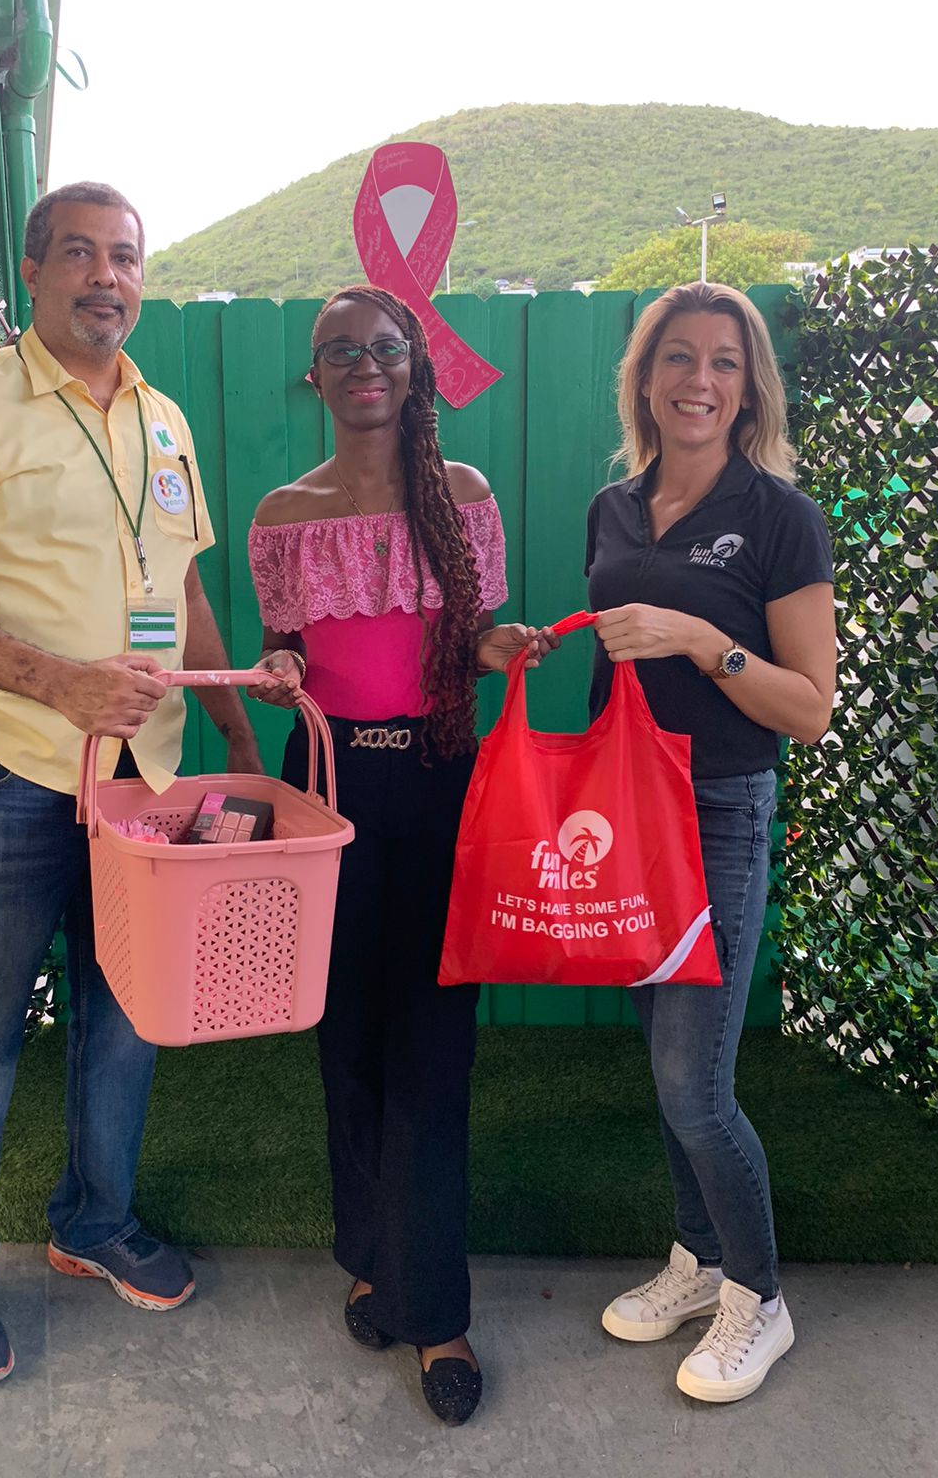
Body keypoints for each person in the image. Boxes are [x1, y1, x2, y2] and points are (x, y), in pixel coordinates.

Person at [0, 182, 269, 1390]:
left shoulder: (166, 421)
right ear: (31, 273)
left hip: (145, 785)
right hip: (7, 769)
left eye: (127, 257)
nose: (107, 275)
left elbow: (180, 598)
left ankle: (92, 1221)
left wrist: (238, 738)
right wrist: (65, 686)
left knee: (129, 1016)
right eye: (81, 254)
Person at [246, 284, 556, 1426]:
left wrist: (500, 645)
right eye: (341, 352)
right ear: (313, 377)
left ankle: (440, 1315)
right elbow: (287, 647)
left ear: (415, 367)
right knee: (348, 1033)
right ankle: (372, 1256)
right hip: (323, 781)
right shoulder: (280, 512)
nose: (365, 365)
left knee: (431, 1041)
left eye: (384, 348)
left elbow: (467, 644)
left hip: (434, 778)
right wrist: (278, 668)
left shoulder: (461, 496)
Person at [585, 281, 836, 1402]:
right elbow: (612, 657)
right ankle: (698, 1261)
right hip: (624, 811)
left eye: (723, 362)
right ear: (645, 378)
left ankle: (761, 1298)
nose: (699, 379)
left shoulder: (782, 517)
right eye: (677, 358)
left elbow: (810, 706)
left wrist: (703, 640)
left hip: (718, 811)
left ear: (749, 387)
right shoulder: (614, 506)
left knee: (697, 1085)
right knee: (663, 1062)